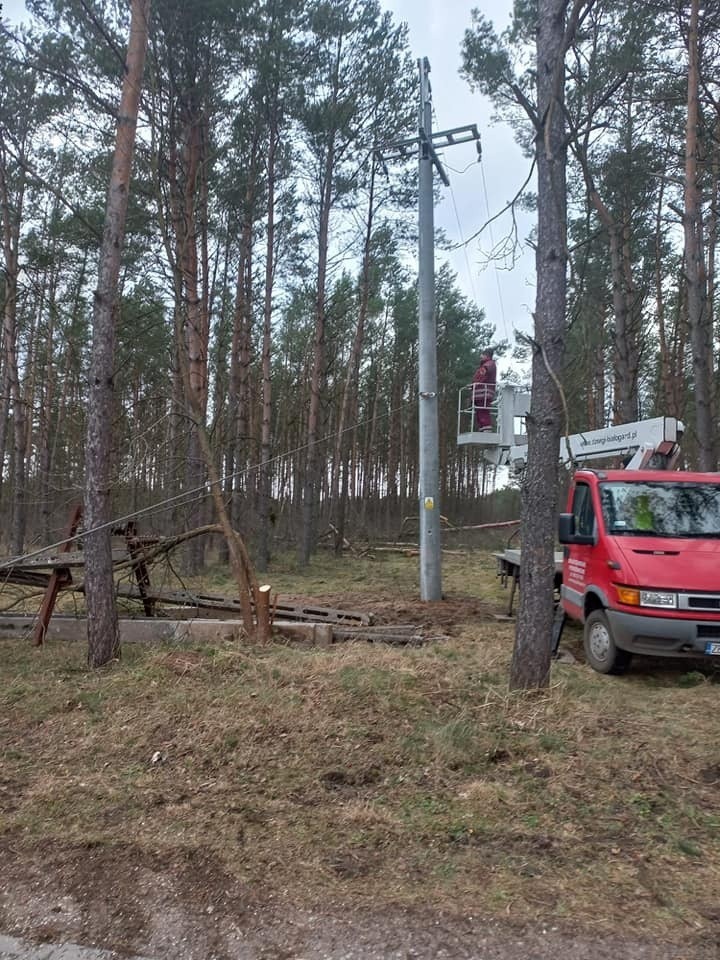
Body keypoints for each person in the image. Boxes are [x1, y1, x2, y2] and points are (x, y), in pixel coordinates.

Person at [472, 348, 497, 430]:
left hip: (484, 392)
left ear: (486, 355)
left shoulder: (488, 365)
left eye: (482, 354)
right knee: (480, 409)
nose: (480, 356)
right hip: (481, 393)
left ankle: (486, 426)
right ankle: (483, 426)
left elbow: (481, 375)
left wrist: (474, 383)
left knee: (483, 409)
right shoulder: (488, 364)